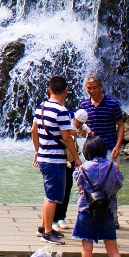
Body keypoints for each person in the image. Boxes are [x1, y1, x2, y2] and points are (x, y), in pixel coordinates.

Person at [74, 135, 129, 257]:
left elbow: (79, 184)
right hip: (106, 210)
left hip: (86, 210)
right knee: (113, 250)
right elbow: (117, 185)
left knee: (86, 249)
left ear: (87, 151)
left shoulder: (82, 168)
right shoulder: (113, 167)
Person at [31, 76, 78, 243]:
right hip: (55, 159)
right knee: (53, 196)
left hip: (44, 157)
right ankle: (48, 232)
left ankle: (43, 227)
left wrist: (38, 151)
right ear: (65, 91)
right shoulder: (62, 111)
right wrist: (77, 158)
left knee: (49, 194)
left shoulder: (41, 107)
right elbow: (66, 138)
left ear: (49, 90)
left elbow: (33, 131)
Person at [78, 73, 125, 159]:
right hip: (90, 149)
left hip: (109, 149)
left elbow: (121, 125)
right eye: (89, 88)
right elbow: (82, 126)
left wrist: (117, 146)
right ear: (85, 87)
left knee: (109, 173)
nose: (92, 91)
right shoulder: (84, 105)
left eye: (95, 88)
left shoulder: (112, 104)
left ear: (101, 86)